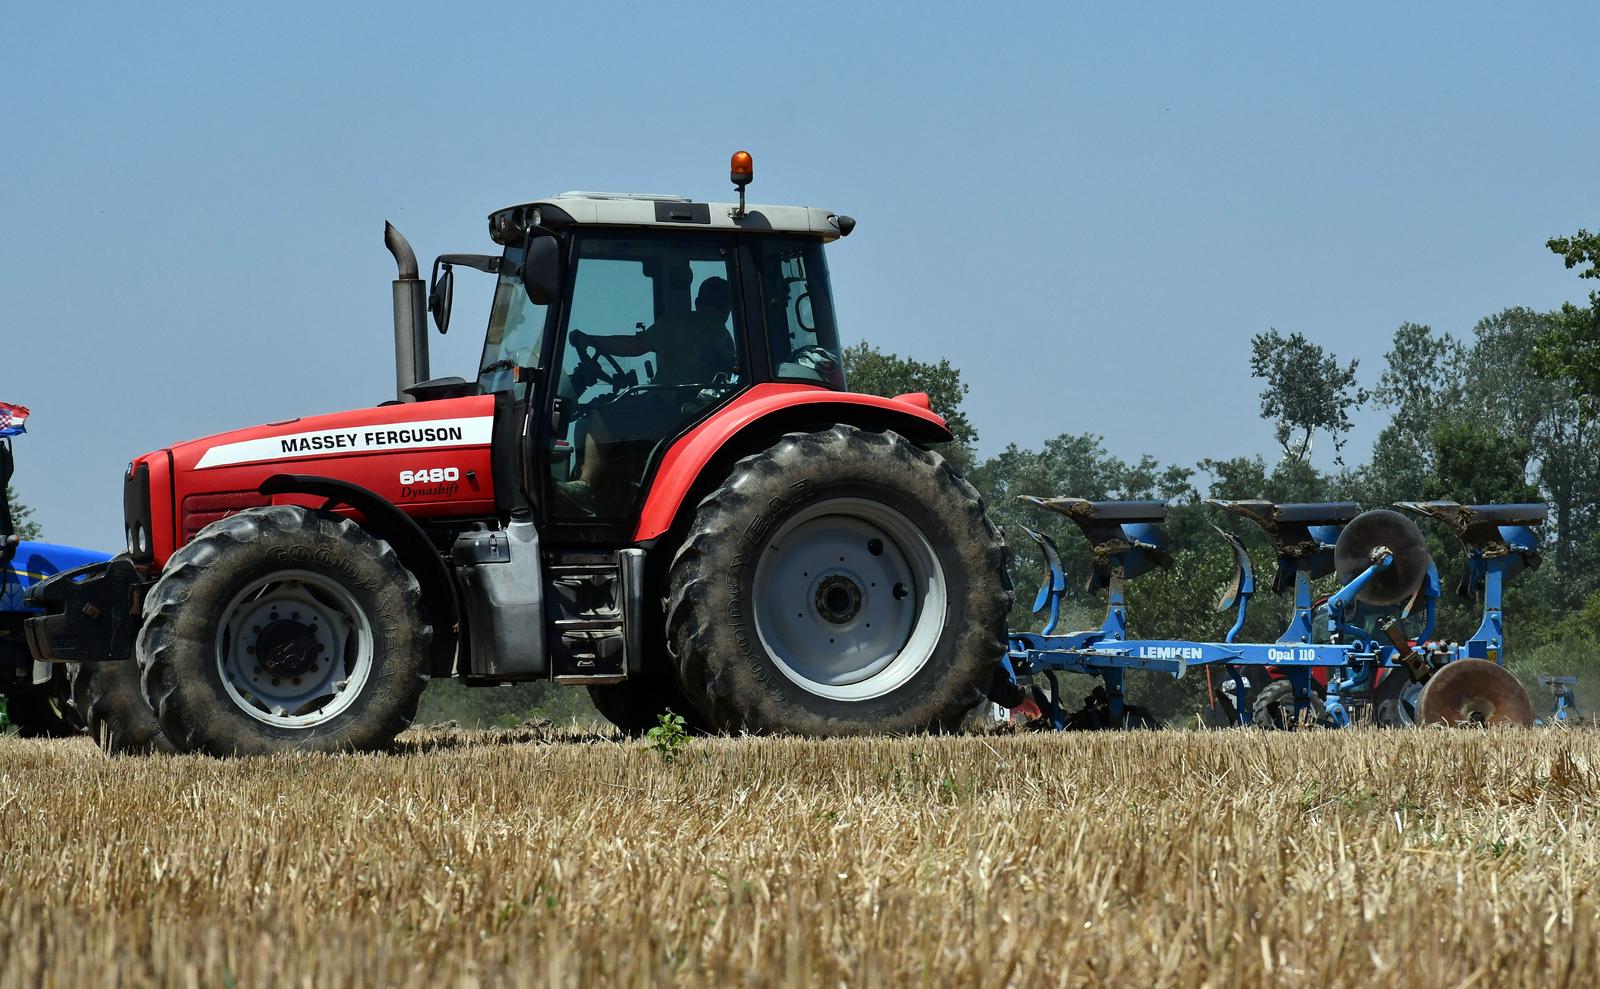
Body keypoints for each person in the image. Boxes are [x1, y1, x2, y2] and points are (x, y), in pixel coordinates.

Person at [569, 276, 736, 386]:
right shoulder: (727, 341)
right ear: (727, 309)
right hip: (697, 409)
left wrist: (590, 340)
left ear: (698, 303)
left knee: (592, 421)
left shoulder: (682, 324)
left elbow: (634, 346)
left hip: (668, 409)